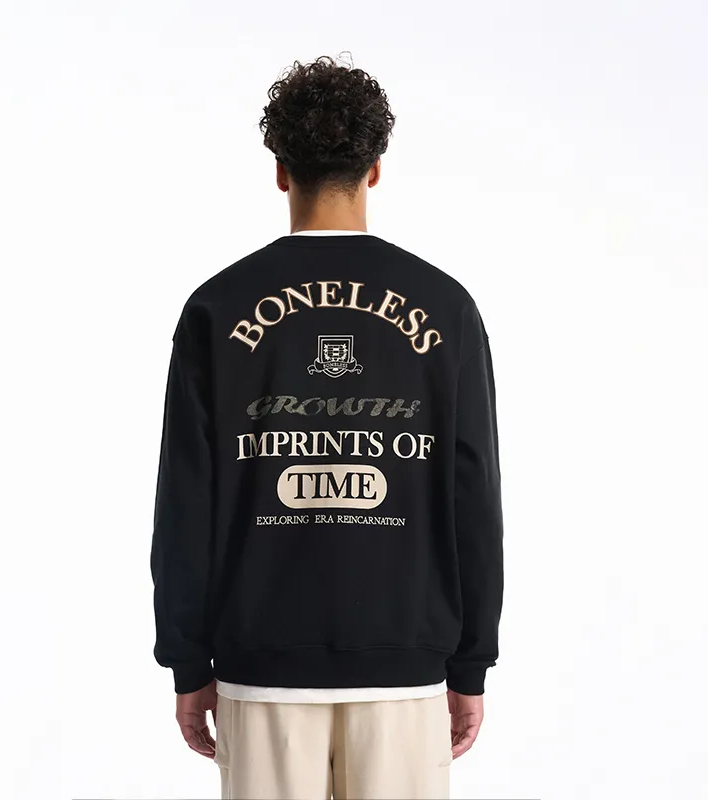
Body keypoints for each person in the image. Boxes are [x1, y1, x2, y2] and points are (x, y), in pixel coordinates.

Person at [150, 55, 504, 800]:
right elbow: (473, 491)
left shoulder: (218, 307)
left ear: (281, 171)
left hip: (260, 666)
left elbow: (185, 500)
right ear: (375, 169)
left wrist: (187, 661)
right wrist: (471, 662)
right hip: (405, 667)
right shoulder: (445, 307)